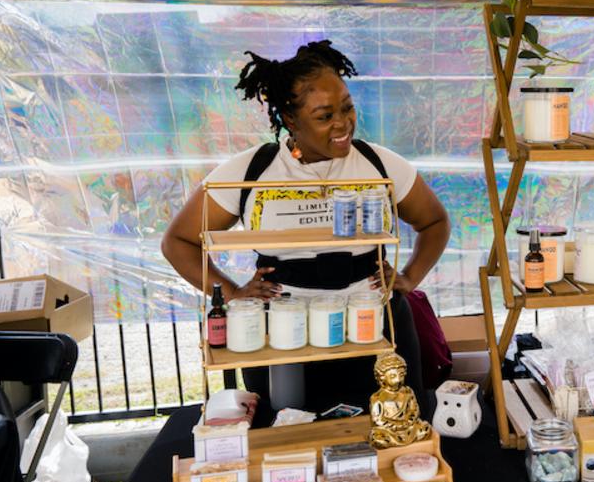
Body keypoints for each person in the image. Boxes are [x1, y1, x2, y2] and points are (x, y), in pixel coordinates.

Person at [162, 40, 450, 424]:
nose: (342, 123)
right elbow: (177, 241)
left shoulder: (380, 165)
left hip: (374, 327)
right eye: (324, 115)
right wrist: (231, 293)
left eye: (347, 107)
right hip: (284, 335)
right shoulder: (251, 171)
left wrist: (410, 276)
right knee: (289, 436)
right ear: (290, 119)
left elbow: (434, 222)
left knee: (394, 430)